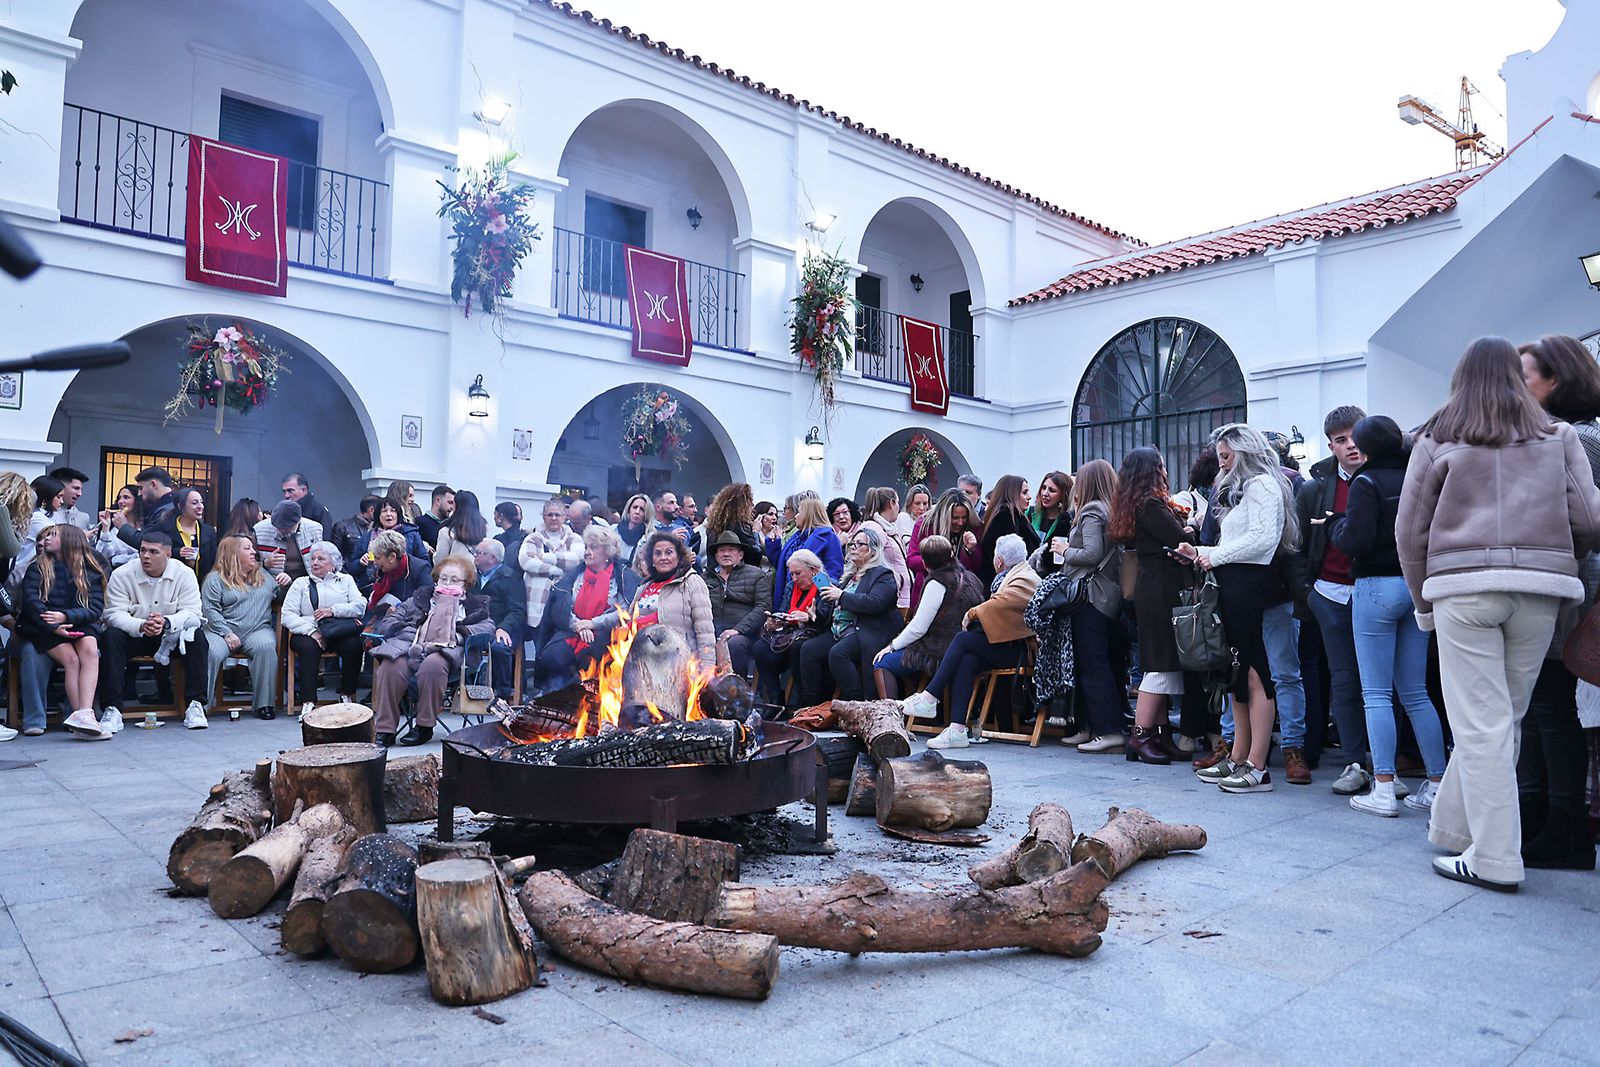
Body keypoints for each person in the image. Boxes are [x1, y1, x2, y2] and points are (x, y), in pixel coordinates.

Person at [1398, 337, 1600, 890]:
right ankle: (1457, 828)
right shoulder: (1557, 436)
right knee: (1500, 720)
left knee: (1481, 722)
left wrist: (1424, 601)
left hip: (1463, 590)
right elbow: (1590, 519)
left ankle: (1494, 857)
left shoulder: (1437, 436)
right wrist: (1555, 561)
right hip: (1540, 593)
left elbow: (1409, 532)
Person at [1329, 416, 1448, 818]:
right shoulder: (1417, 476)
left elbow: (1355, 540)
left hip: (1376, 588)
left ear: (1367, 446)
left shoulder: (1366, 482)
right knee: (1416, 692)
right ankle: (1436, 784)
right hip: (1414, 586)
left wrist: (1333, 526)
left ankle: (1382, 787)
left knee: (1376, 693)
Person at [1517, 333, 1600, 870]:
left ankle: (1564, 828)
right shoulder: (1564, 434)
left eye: (1525, 376)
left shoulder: (1580, 437)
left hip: (1576, 581)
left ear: (1556, 381)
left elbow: (1583, 520)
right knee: (1546, 703)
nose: (1517, 387)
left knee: (1552, 703)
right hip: (1565, 577)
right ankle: (1546, 819)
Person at [1178, 424, 1298, 793]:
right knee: (1237, 672)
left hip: (1249, 583)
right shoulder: (1243, 487)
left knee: (1254, 671)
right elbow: (1240, 542)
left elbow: (1262, 541)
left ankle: (1257, 765)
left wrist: (1210, 555)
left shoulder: (1263, 485)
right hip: (1234, 582)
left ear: (1245, 452)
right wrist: (1201, 553)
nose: (1221, 462)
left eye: (1227, 456)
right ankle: (1240, 757)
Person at [905, 534, 1039, 749]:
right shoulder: (1016, 574)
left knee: (963, 640)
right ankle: (957, 729)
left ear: (999, 560)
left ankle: (930, 698)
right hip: (1007, 646)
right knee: (966, 659)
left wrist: (974, 613)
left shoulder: (1025, 578)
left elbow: (1001, 604)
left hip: (1020, 651)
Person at [1296, 406, 1370, 789]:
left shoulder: (1385, 477)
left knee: (1382, 681)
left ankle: (1388, 760)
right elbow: (1299, 547)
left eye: (1355, 436)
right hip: (1328, 594)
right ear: (1331, 446)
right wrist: (1310, 596)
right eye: (1341, 440)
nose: (1351, 445)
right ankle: (1355, 761)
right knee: (1343, 679)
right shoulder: (1314, 489)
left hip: (1375, 592)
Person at [1110, 448, 1189, 765]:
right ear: (1153, 471)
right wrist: (1191, 530)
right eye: (1162, 467)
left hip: (1152, 585)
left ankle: (1159, 732)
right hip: (1161, 587)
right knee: (1159, 661)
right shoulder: (1151, 505)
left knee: (1162, 659)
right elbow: (1179, 538)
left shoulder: (1135, 504)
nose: (1166, 472)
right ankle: (1141, 735)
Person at [369, 553, 492, 747]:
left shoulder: (473, 606)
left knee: (433, 665)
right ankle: (385, 730)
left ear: (465, 584)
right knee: (389, 667)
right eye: (443, 578)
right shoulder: (419, 599)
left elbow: (487, 628)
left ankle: (424, 726)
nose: (447, 583)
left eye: (454, 579)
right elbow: (390, 621)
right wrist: (409, 630)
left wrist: (459, 635)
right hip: (410, 647)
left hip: (449, 653)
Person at [1046, 460, 1126, 752]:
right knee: (1093, 662)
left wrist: (1065, 550)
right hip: (1103, 595)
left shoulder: (1092, 511)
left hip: (1091, 596)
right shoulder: (1109, 509)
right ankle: (1090, 727)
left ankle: (1107, 730)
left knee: (1093, 664)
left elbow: (1092, 553)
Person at [98, 530, 210, 735]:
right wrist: (141, 625)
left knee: (198, 637)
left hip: (170, 636)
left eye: (153, 552)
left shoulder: (184, 574)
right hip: (134, 635)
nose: (145, 556)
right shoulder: (122, 574)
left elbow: (193, 613)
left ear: (168, 554)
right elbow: (112, 614)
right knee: (110, 637)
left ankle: (195, 705)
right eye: (142, 550)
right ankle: (111, 709)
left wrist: (167, 622)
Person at [18, 524, 106, 739]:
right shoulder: (37, 568)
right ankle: (81, 718)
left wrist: (66, 617)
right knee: (71, 660)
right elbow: (31, 603)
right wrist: (54, 626)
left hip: (77, 622)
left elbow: (95, 608)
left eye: (53, 535)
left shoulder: (91, 570)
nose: (46, 539)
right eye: (47, 535)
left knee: (90, 651)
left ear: (69, 540)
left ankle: (84, 715)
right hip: (44, 627)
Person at [798, 524, 902, 703]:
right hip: (842, 630)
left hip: (867, 631)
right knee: (808, 649)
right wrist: (814, 615)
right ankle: (812, 705)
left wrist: (842, 596)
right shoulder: (849, 576)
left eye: (859, 544)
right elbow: (835, 608)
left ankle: (854, 705)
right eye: (852, 544)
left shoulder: (883, 574)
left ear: (873, 550)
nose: (853, 548)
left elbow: (876, 603)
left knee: (839, 654)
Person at [873, 534, 984, 699]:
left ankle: (890, 717)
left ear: (924, 563)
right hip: (968, 648)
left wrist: (892, 646)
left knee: (882, 663)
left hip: (937, 652)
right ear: (952, 554)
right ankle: (913, 711)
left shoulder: (937, 583)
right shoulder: (971, 578)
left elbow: (918, 627)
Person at [533, 526, 636, 691]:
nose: (587, 552)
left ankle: (573, 700)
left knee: (593, 660)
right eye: (586, 547)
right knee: (553, 656)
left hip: (606, 634)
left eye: (593, 547)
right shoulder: (575, 575)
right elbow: (561, 607)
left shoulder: (623, 576)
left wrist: (592, 623)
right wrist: (578, 625)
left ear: (608, 552)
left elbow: (624, 611)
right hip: (572, 630)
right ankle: (551, 700)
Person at [201, 535, 281, 721]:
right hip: (220, 630)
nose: (254, 552)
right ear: (232, 554)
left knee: (266, 647)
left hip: (257, 629)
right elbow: (209, 610)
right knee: (210, 651)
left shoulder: (265, 575)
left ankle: (265, 704)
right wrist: (226, 633)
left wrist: (285, 583)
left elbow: (281, 598)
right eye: (247, 548)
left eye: (252, 548)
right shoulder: (214, 580)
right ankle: (200, 704)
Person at [281, 540, 365, 715]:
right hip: (307, 631)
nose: (315, 563)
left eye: (320, 558)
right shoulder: (301, 583)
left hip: (338, 630)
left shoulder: (346, 580)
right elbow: (287, 615)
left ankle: (346, 695)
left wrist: (333, 611)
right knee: (308, 647)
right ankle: (308, 701)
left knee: (354, 645)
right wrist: (311, 631)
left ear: (334, 563)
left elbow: (360, 606)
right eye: (312, 559)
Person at [751, 550, 831, 704]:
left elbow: (826, 617)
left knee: (798, 647)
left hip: (815, 633)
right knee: (760, 647)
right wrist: (774, 623)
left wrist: (808, 617)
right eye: (792, 574)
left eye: (798, 573)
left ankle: (801, 701)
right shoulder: (791, 586)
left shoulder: (824, 583)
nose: (794, 578)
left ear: (813, 570)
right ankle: (774, 699)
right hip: (790, 632)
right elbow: (784, 610)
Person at [630, 531, 715, 671]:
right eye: (657, 553)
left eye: (669, 552)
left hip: (678, 663)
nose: (663, 557)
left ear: (679, 557)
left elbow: (705, 630)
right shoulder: (643, 587)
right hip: (641, 663)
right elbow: (628, 623)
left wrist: (707, 667)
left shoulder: (692, 582)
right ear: (651, 559)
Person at [707, 530, 772, 679]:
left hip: (745, 634)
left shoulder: (756, 574)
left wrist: (738, 630)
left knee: (734, 645)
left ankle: (736, 692)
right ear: (716, 556)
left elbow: (764, 607)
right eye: (722, 550)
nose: (726, 554)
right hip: (711, 631)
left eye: (731, 550)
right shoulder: (706, 578)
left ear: (740, 554)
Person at [519, 498, 583, 640]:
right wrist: (557, 571)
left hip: (564, 605)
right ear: (543, 516)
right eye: (550, 515)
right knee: (539, 650)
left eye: (557, 515)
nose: (554, 518)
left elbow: (577, 559)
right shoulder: (533, 538)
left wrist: (548, 557)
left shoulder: (574, 538)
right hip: (537, 604)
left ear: (564, 517)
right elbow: (527, 562)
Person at [906, 488, 981, 608]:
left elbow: (976, 567)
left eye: (964, 517)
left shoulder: (973, 526)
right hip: (929, 594)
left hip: (962, 598)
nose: (960, 522)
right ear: (944, 515)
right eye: (955, 518)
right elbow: (911, 560)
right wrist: (936, 560)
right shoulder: (925, 525)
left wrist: (970, 550)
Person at [471, 539, 527, 697]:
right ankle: (465, 692)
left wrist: (503, 628)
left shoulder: (511, 577)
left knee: (499, 647)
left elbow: (518, 610)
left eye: (480, 553)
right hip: (476, 625)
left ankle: (502, 693)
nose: (475, 556)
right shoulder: (471, 575)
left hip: (503, 626)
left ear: (493, 558)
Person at [769, 492, 843, 611]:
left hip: (812, 597)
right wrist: (774, 546)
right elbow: (782, 566)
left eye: (799, 512)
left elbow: (834, 572)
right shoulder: (796, 537)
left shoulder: (828, 536)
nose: (795, 516)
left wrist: (818, 594)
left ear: (809, 514)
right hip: (790, 594)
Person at [977, 475, 1041, 586]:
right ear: (1012, 494)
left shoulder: (1012, 516)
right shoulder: (1005, 517)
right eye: (1024, 492)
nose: (1029, 497)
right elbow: (1010, 557)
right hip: (1008, 584)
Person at [361, 529, 432, 621]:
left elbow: (425, 602)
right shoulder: (382, 570)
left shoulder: (420, 569)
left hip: (409, 621)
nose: (375, 562)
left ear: (392, 557)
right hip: (383, 618)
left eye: (378, 558)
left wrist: (400, 609)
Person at [860, 487, 911, 609]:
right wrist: (896, 580)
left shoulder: (889, 529)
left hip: (898, 596)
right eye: (898, 502)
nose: (899, 507)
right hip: (890, 597)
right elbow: (869, 559)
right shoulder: (875, 528)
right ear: (892, 503)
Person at [253, 500, 323, 588]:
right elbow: (249, 564)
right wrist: (265, 563)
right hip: (271, 585)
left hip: (307, 584)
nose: (282, 530)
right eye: (278, 527)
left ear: (298, 522)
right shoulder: (259, 530)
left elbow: (323, 561)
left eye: (286, 528)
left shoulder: (315, 529)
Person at [12, 475, 64, 587]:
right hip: (22, 572)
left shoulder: (43, 517)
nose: (62, 501)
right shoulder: (38, 518)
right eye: (58, 497)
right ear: (47, 497)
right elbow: (61, 539)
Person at [159, 487, 217, 581]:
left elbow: (214, 561)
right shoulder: (165, 528)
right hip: (173, 584)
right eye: (194, 503)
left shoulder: (209, 531)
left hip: (202, 586)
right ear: (180, 506)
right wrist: (177, 553)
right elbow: (157, 554)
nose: (200, 506)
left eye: (201, 502)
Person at [115, 466, 176, 549]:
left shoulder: (166, 510)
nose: (139, 493)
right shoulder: (169, 505)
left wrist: (123, 527)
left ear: (153, 484)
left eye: (141, 488)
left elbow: (148, 543)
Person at [435, 489, 488, 561]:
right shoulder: (482, 528)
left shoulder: (447, 532)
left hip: (455, 571)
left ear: (457, 507)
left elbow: (440, 560)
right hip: (476, 571)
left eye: (453, 503)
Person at [1026, 471, 1073, 550]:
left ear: (1063, 495)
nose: (1045, 493)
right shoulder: (1029, 513)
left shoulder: (1067, 521)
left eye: (1052, 490)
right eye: (1043, 488)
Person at [331, 496, 380, 564]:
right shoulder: (342, 527)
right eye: (382, 510)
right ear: (372, 510)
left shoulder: (380, 529)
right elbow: (333, 555)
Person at [45, 466, 95, 531]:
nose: (79, 494)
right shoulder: (44, 515)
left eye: (81, 489)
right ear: (60, 487)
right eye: (76, 488)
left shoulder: (83, 518)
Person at [616, 494, 654, 566]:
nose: (637, 512)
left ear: (647, 514)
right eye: (635, 507)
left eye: (642, 509)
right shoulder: (613, 530)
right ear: (629, 509)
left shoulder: (649, 537)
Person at [416, 485, 455, 551]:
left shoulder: (450, 525)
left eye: (454, 504)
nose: (452, 507)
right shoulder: (419, 523)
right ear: (438, 501)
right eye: (450, 502)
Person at [899, 484, 931, 549]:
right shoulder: (903, 517)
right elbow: (909, 547)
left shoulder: (931, 521)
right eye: (917, 503)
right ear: (910, 503)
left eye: (925, 503)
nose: (922, 508)